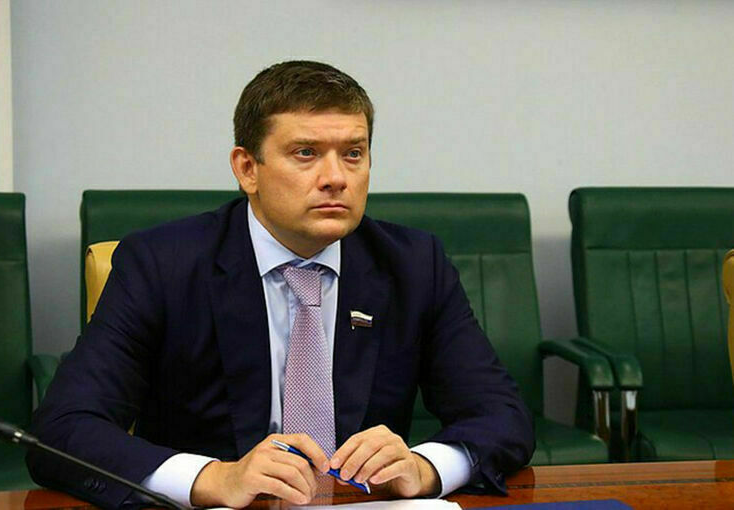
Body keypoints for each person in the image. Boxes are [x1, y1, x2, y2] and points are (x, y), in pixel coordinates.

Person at [27, 60, 534, 509]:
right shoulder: (163, 264)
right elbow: (62, 430)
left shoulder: (413, 265)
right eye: (306, 153)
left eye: (353, 153)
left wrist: (423, 469)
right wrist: (214, 478)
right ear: (247, 168)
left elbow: (502, 415)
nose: (336, 178)